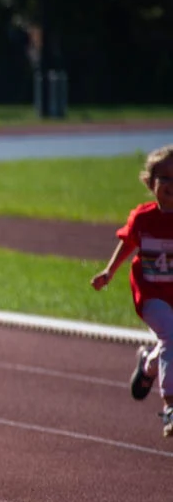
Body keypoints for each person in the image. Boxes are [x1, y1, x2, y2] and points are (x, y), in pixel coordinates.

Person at [91, 144, 173, 437]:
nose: (170, 185)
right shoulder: (143, 218)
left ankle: (148, 366)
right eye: (164, 178)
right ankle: (170, 408)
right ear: (151, 183)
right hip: (150, 292)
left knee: (169, 342)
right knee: (171, 335)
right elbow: (128, 243)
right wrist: (109, 272)